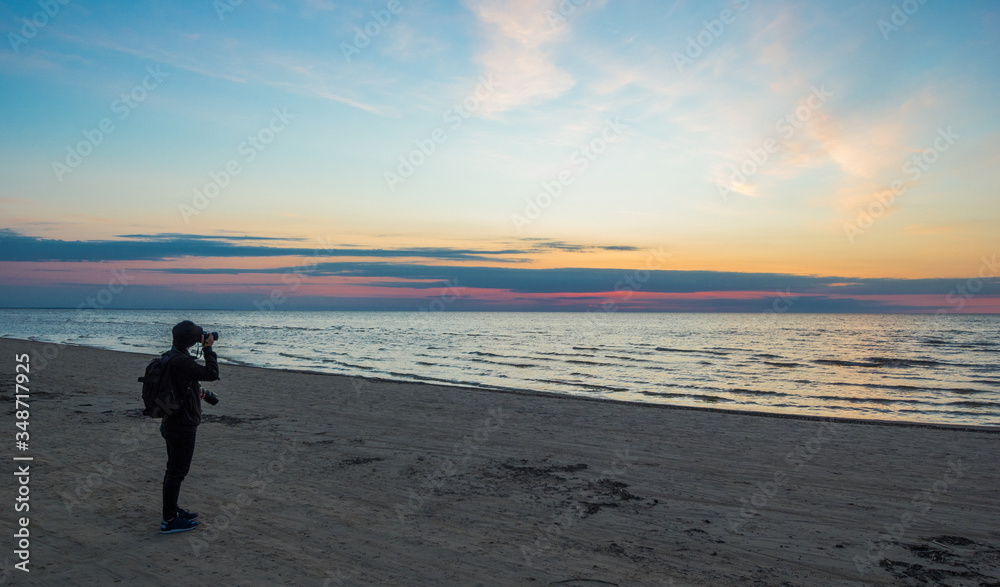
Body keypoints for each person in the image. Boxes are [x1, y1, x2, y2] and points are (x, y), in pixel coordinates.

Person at [159, 320, 220, 534]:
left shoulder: (170, 356)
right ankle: (169, 520)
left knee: (173, 470)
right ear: (191, 340)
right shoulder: (182, 362)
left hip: (171, 421)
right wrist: (208, 347)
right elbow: (213, 373)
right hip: (182, 425)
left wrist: (198, 392)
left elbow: (180, 385)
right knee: (177, 472)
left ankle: (172, 511)